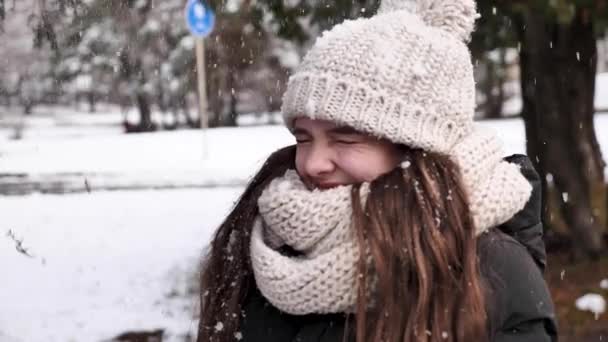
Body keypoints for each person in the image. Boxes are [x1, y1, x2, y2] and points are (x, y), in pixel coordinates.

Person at [197, 0, 558, 341]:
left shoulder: (494, 271)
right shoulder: (265, 241)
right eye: (304, 138)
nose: (310, 164)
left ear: (417, 151)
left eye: (345, 139)